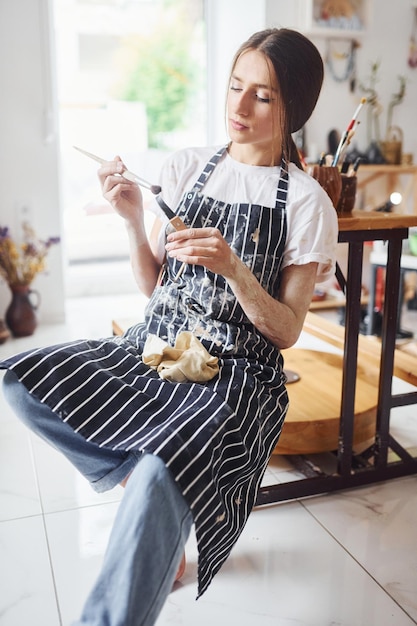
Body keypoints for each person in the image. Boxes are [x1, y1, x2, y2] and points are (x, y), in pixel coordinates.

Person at [1, 27, 338, 626]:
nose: (238, 107)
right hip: (156, 347)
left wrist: (234, 268)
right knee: (22, 382)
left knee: (164, 465)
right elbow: (156, 286)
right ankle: (150, 480)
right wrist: (132, 220)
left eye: (262, 96)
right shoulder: (187, 168)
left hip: (236, 375)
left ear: (296, 108)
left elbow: (285, 331)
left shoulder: (307, 204)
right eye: (235, 86)